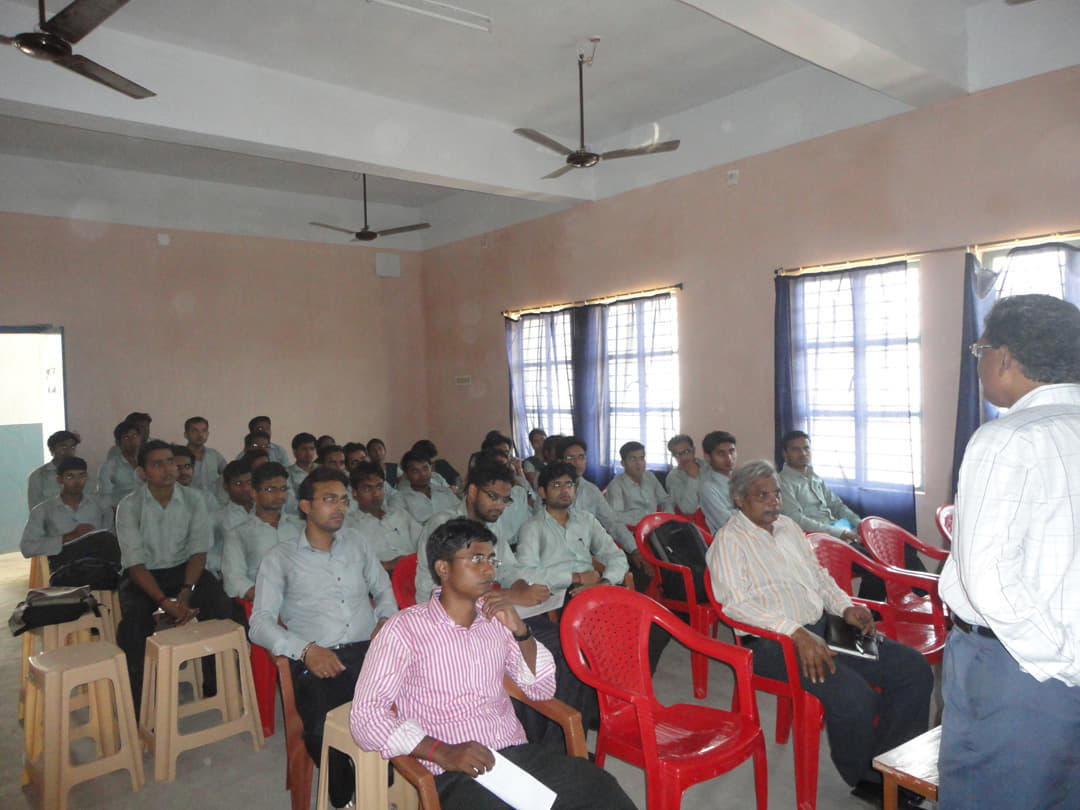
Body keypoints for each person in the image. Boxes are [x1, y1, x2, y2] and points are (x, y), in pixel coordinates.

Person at [350, 518, 636, 810]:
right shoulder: (403, 630)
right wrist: (442, 751)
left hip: (515, 758)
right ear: (443, 568)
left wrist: (521, 631)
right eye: (476, 559)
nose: (489, 570)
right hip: (455, 772)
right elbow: (366, 717)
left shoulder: (495, 618)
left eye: (491, 560)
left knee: (601, 788)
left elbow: (541, 689)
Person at [707, 459, 932, 804]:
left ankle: (893, 768)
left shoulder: (788, 528)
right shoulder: (729, 541)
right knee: (853, 695)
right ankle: (868, 779)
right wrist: (795, 632)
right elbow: (734, 605)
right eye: (762, 495)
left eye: (776, 493)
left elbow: (819, 577)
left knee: (912, 669)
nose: (773, 501)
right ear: (739, 499)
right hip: (770, 643)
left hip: (823, 627)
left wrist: (845, 607)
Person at [938, 294, 1080, 810]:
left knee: (991, 794)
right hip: (1063, 651)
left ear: (1004, 358)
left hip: (1016, 666)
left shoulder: (1006, 439)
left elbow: (989, 580)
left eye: (980, 351)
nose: (978, 365)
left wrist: (1060, 659)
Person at [249, 466, 397, 808]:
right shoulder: (280, 558)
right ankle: (347, 797)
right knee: (323, 726)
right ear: (305, 506)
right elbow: (259, 624)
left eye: (344, 500)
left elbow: (383, 590)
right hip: (317, 655)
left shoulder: (357, 543)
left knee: (416, 702)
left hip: (369, 650)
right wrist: (304, 650)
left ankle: (385, 783)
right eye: (330, 499)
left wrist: (385, 620)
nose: (340, 507)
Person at [115, 440, 234, 707]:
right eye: (157, 464)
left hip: (185, 569)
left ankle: (215, 686)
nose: (167, 469)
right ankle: (142, 706)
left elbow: (198, 552)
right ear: (142, 472)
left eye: (170, 462)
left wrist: (186, 592)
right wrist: (163, 602)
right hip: (143, 575)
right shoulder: (129, 505)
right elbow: (135, 564)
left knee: (220, 606)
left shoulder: (194, 499)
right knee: (133, 628)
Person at [555, 436, 642, 581]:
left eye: (581, 457)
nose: (577, 463)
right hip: (559, 560)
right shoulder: (551, 491)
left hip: (590, 553)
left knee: (631, 570)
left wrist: (634, 550)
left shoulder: (591, 491)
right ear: (560, 461)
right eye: (570, 458)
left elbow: (612, 522)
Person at [221, 461, 303, 601]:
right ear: (254, 493)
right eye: (271, 489)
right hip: (264, 601)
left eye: (283, 489)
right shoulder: (238, 534)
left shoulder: (300, 526)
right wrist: (267, 597)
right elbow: (233, 578)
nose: (279, 495)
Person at [22, 456, 114, 560]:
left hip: (98, 564)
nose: (77, 481)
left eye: (82, 476)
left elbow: (112, 541)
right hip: (61, 566)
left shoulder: (101, 506)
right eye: (70, 477)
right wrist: (67, 537)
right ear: (59, 480)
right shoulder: (43, 511)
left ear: (86, 478)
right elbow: (27, 548)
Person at [777, 430, 862, 541]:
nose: (803, 453)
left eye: (806, 448)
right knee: (862, 549)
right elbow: (796, 519)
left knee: (872, 541)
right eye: (796, 449)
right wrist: (837, 532)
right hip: (815, 538)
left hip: (835, 528)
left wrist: (859, 524)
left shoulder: (814, 477)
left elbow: (836, 505)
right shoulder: (782, 482)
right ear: (785, 453)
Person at [342, 461, 421, 571]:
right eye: (368, 489)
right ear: (355, 493)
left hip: (417, 571)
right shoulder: (349, 526)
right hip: (381, 576)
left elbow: (425, 542)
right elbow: (350, 564)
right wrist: (388, 565)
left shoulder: (399, 514)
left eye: (379, 487)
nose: (376, 494)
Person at [604, 440, 671, 526]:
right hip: (633, 529)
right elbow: (615, 517)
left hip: (657, 526)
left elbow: (665, 500)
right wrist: (645, 519)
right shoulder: (616, 486)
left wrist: (668, 519)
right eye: (633, 459)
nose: (639, 463)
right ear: (623, 463)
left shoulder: (649, 477)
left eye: (641, 458)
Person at [209, 460, 253, 577]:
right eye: (238, 484)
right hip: (232, 577)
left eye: (249, 482)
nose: (245, 488)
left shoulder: (265, 513)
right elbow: (204, 554)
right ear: (225, 486)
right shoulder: (216, 518)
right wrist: (227, 565)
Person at [399, 449, 461, 525]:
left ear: (431, 468)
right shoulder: (400, 499)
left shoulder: (446, 492)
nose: (422, 474)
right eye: (415, 471)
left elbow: (461, 513)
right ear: (406, 474)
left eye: (425, 468)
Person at [26, 429, 80, 510]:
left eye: (72, 447)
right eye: (63, 447)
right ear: (52, 450)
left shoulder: (81, 474)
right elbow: (35, 510)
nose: (68, 451)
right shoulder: (38, 476)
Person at [97, 420, 143, 509]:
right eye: (126, 438)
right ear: (118, 443)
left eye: (134, 436)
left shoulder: (148, 464)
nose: (132, 441)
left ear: (140, 439)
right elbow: (104, 500)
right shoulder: (108, 468)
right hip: (121, 511)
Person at [699, 430, 738, 533]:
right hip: (730, 538)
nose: (729, 458)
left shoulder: (743, 480)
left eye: (732, 451)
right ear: (707, 457)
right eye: (721, 453)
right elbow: (727, 524)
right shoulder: (708, 488)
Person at [663, 433, 710, 516]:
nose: (684, 457)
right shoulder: (673, 477)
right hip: (694, 520)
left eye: (687, 451)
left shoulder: (708, 466)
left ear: (694, 450)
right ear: (673, 456)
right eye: (678, 454)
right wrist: (692, 477)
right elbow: (688, 509)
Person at [183, 416, 227, 495]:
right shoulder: (180, 457)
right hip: (188, 500)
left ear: (208, 433)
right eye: (195, 431)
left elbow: (229, 474)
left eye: (204, 431)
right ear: (186, 434)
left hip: (213, 500)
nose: (200, 435)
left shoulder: (214, 455)